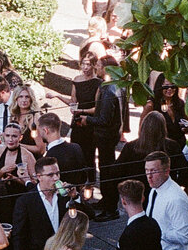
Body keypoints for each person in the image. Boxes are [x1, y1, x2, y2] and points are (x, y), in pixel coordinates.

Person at [73, 55, 127, 221]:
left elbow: (104, 119)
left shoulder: (109, 90)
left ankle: (111, 208)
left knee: (106, 172)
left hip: (106, 137)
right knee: (105, 170)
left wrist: (87, 119)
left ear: (107, 68)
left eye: (98, 65)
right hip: (110, 135)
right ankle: (106, 201)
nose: (96, 67)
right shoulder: (118, 86)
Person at [0, 123, 37, 221]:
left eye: (14, 136)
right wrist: (1, 172)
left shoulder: (27, 156)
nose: (10, 139)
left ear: (20, 137)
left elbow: (35, 183)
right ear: (3, 136)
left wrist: (16, 179)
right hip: (1, 199)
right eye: (7, 136)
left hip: (21, 199)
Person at [69, 53, 101, 185]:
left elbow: (98, 108)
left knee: (89, 155)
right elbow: (73, 101)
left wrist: (82, 111)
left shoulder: (98, 83)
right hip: (77, 122)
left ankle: (91, 184)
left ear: (93, 65)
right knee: (75, 152)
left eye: (88, 64)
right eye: (83, 64)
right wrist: (57, 96)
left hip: (89, 122)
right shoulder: (76, 80)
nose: (85, 67)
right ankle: (77, 183)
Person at [37, 112, 87, 189]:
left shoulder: (49, 158)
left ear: (46, 130)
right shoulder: (76, 147)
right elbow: (84, 177)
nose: (39, 134)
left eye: (40, 131)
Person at [8, 84, 41, 155]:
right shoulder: (14, 116)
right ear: (16, 99)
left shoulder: (34, 119)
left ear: (31, 99)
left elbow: (41, 149)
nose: (24, 100)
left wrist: (17, 145)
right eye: (21, 97)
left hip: (31, 158)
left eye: (27, 97)